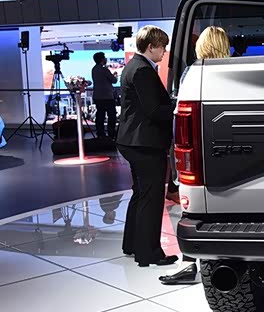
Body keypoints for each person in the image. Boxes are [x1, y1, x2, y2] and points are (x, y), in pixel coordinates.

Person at [160, 26, 231, 285]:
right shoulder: (235, 72)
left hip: (200, 151)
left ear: (202, 46)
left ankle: (189, 264)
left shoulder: (193, 73)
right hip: (231, 149)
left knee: (193, 210)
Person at [117, 26, 178, 267]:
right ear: (151, 46)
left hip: (133, 140)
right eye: (162, 46)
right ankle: (149, 253)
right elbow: (153, 110)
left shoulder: (134, 66)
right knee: (151, 198)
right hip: (144, 142)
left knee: (141, 194)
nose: (164, 51)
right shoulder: (143, 70)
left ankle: (132, 244)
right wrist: (177, 109)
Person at [91, 52, 118, 138]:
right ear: (102, 59)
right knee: (111, 116)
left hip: (97, 96)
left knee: (100, 116)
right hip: (107, 96)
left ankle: (100, 133)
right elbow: (114, 80)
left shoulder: (94, 69)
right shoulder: (104, 70)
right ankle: (111, 133)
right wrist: (115, 75)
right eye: (104, 57)